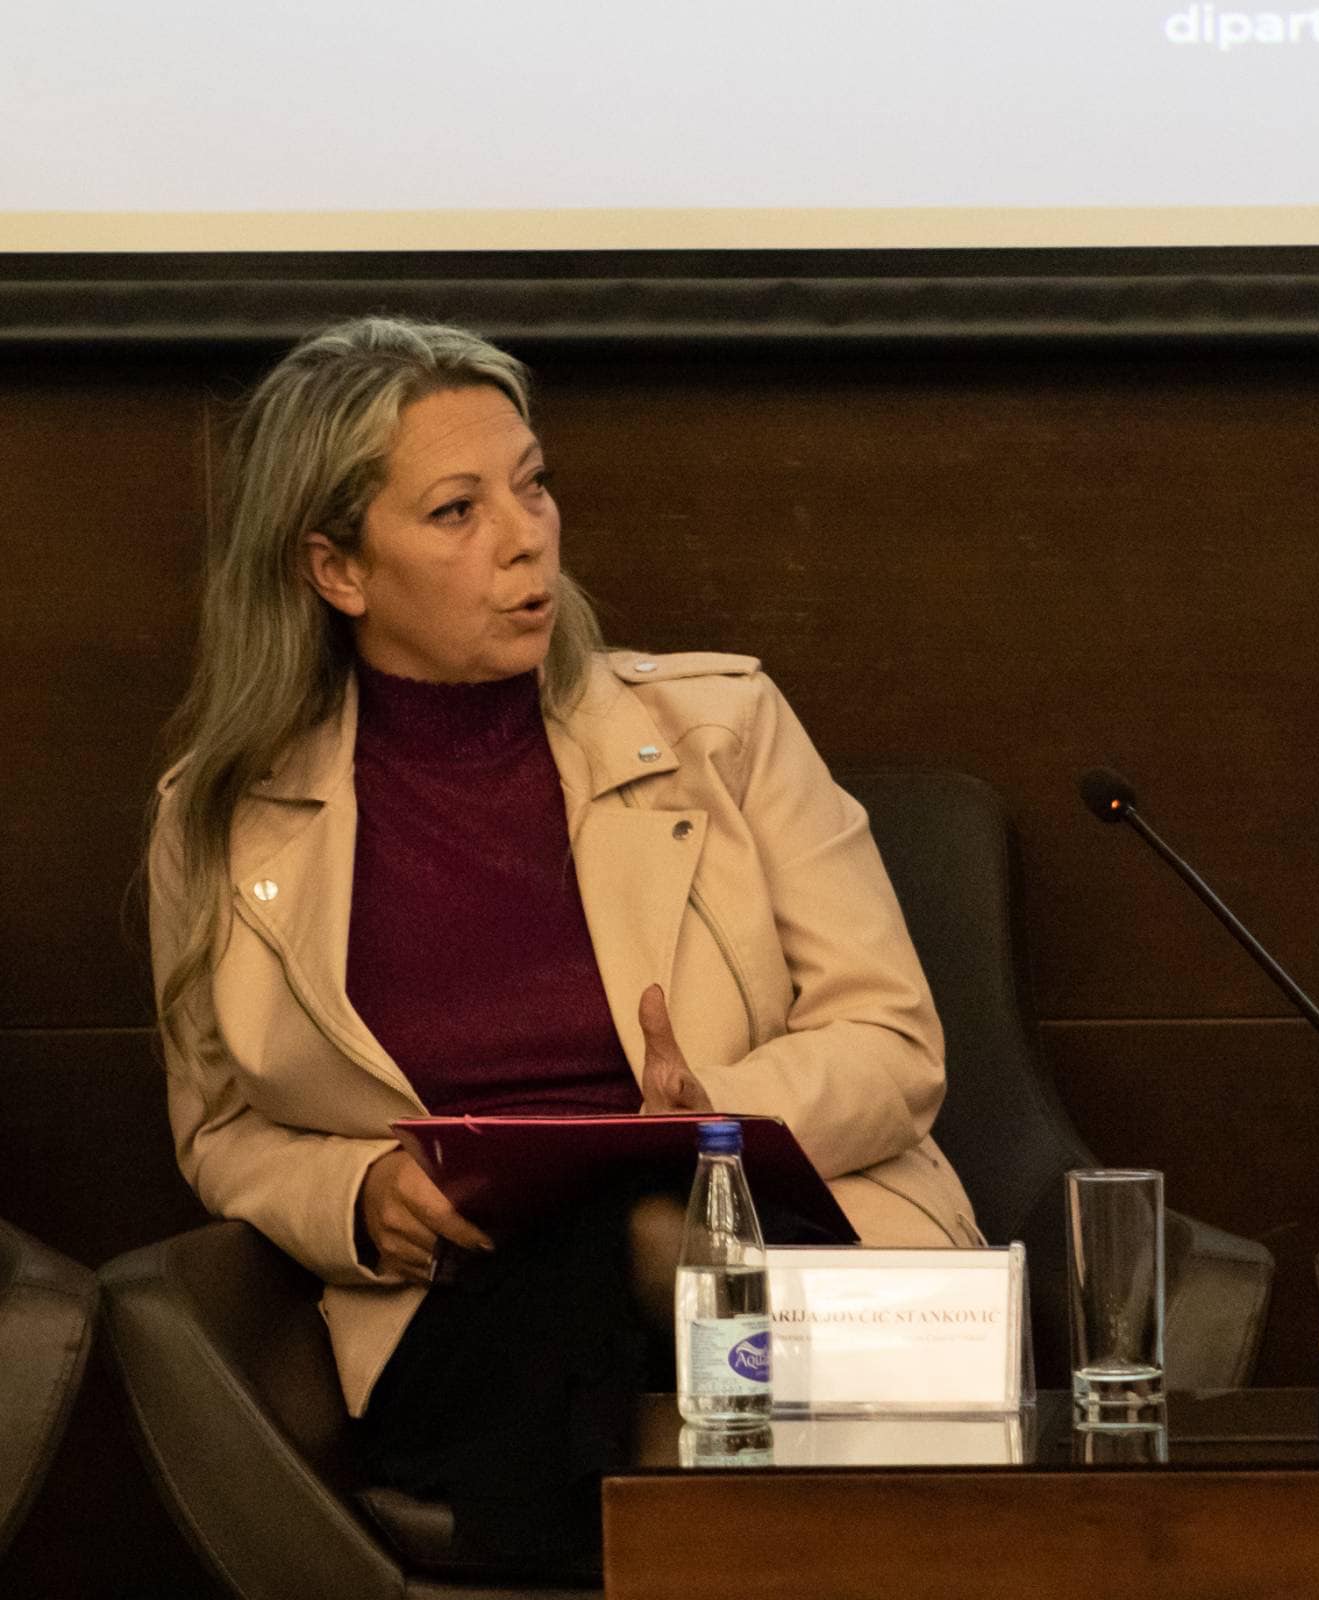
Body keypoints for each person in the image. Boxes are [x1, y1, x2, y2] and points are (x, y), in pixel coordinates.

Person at [148, 315, 978, 1577]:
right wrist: (355, 1197)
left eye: (531, 486)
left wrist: (710, 1116)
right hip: (470, 1311)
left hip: (767, 1251)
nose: (525, 535)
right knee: (570, 1269)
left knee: (634, 1233)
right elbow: (218, 1129)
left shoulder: (721, 728)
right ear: (336, 568)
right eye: (457, 510)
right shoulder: (220, 818)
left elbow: (892, 1040)